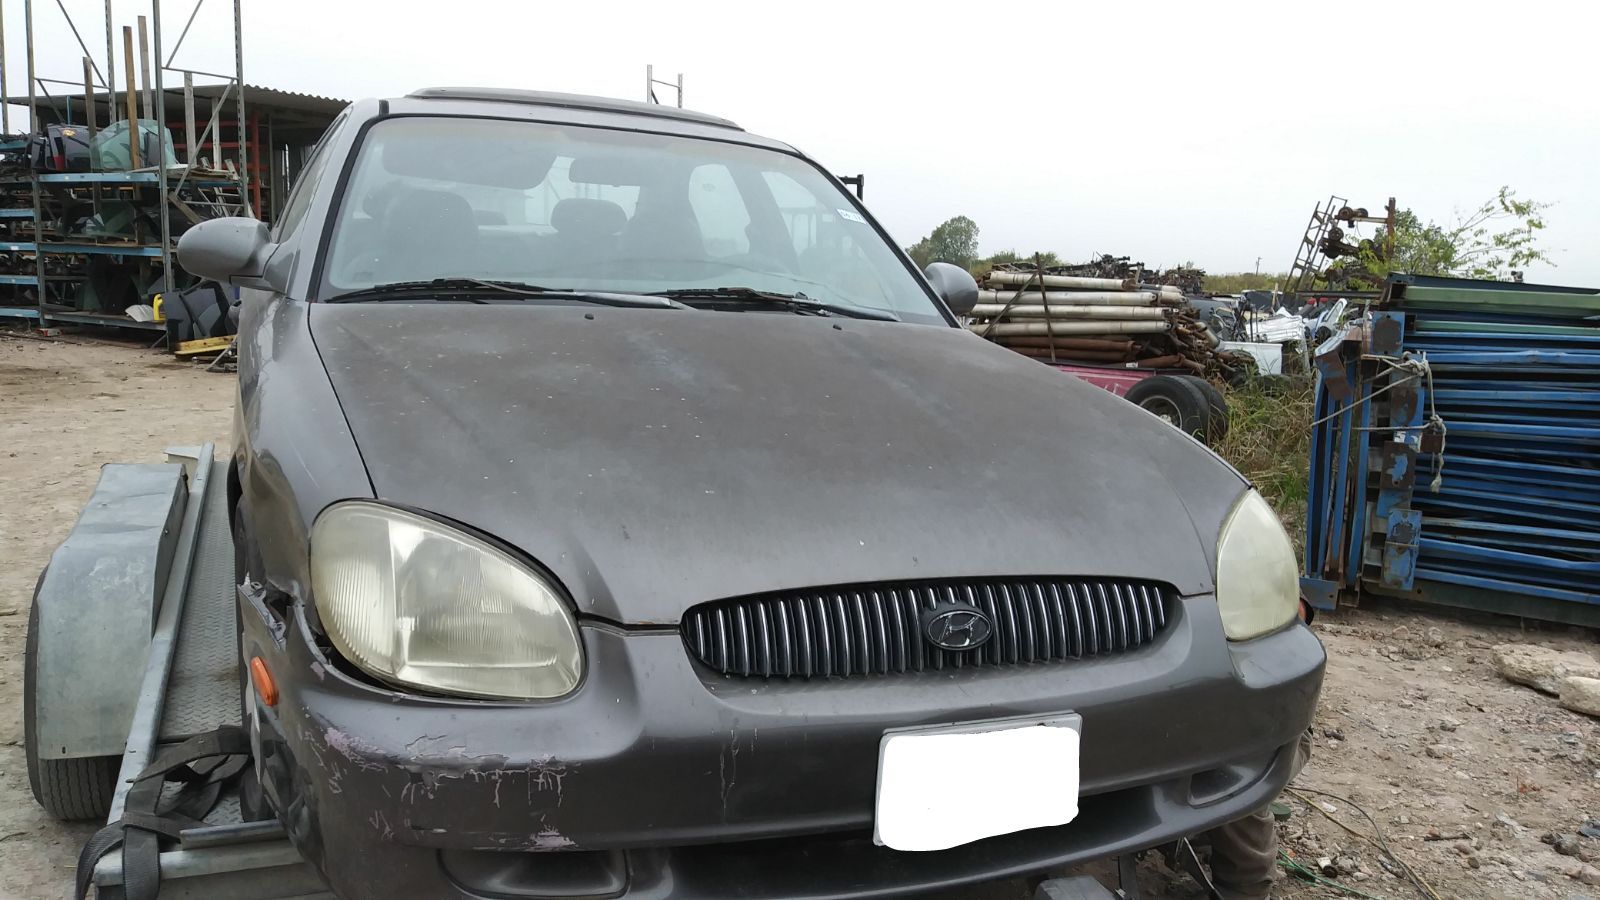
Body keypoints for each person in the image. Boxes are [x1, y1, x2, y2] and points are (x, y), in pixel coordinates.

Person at [1202, 598, 1317, 900]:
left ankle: (1244, 889)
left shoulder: (1237, 558)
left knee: (1232, 777)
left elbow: (1296, 612)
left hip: (1258, 724)